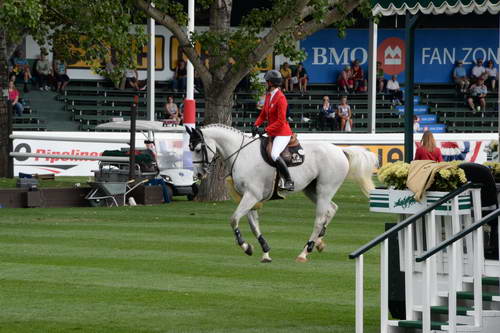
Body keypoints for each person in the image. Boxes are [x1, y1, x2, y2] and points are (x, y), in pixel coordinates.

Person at [252, 70, 294, 191]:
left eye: (266, 82)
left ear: (271, 83)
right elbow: (263, 114)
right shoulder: (269, 96)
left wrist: (266, 129)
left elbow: (281, 121)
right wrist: (255, 125)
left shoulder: (281, 98)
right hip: (272, 132)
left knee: (274, 154)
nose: (265, 84)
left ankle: (289, 181)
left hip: (282, 133)